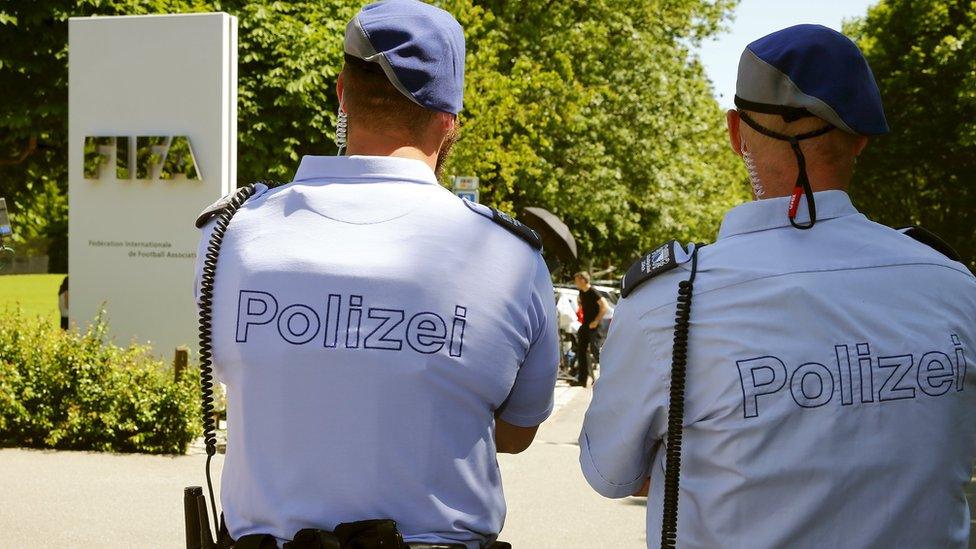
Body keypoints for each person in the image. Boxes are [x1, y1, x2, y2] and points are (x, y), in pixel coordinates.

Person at [579, 24, 976, 548]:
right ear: (860, 137)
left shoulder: (671, 301)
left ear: (736, 133)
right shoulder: (954, 287)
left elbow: (611, 474)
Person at [193, 1, 558, 547]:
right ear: (449, 120)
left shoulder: (230, 236)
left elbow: (246, 385)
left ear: (341, 91)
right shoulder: (510, 258)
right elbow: (516, 432)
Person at [571, 271, 608, 387]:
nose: (575, 282)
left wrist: (596, 320)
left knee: (596, 351)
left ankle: (608, 377)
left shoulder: (593, 291)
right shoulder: (581, 292)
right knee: (580, 350)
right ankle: (582, 379)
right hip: (586, 325)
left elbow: (604, 306)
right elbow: (581, 304)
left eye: (577, 280)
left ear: (582, 279)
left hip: (595, 326)